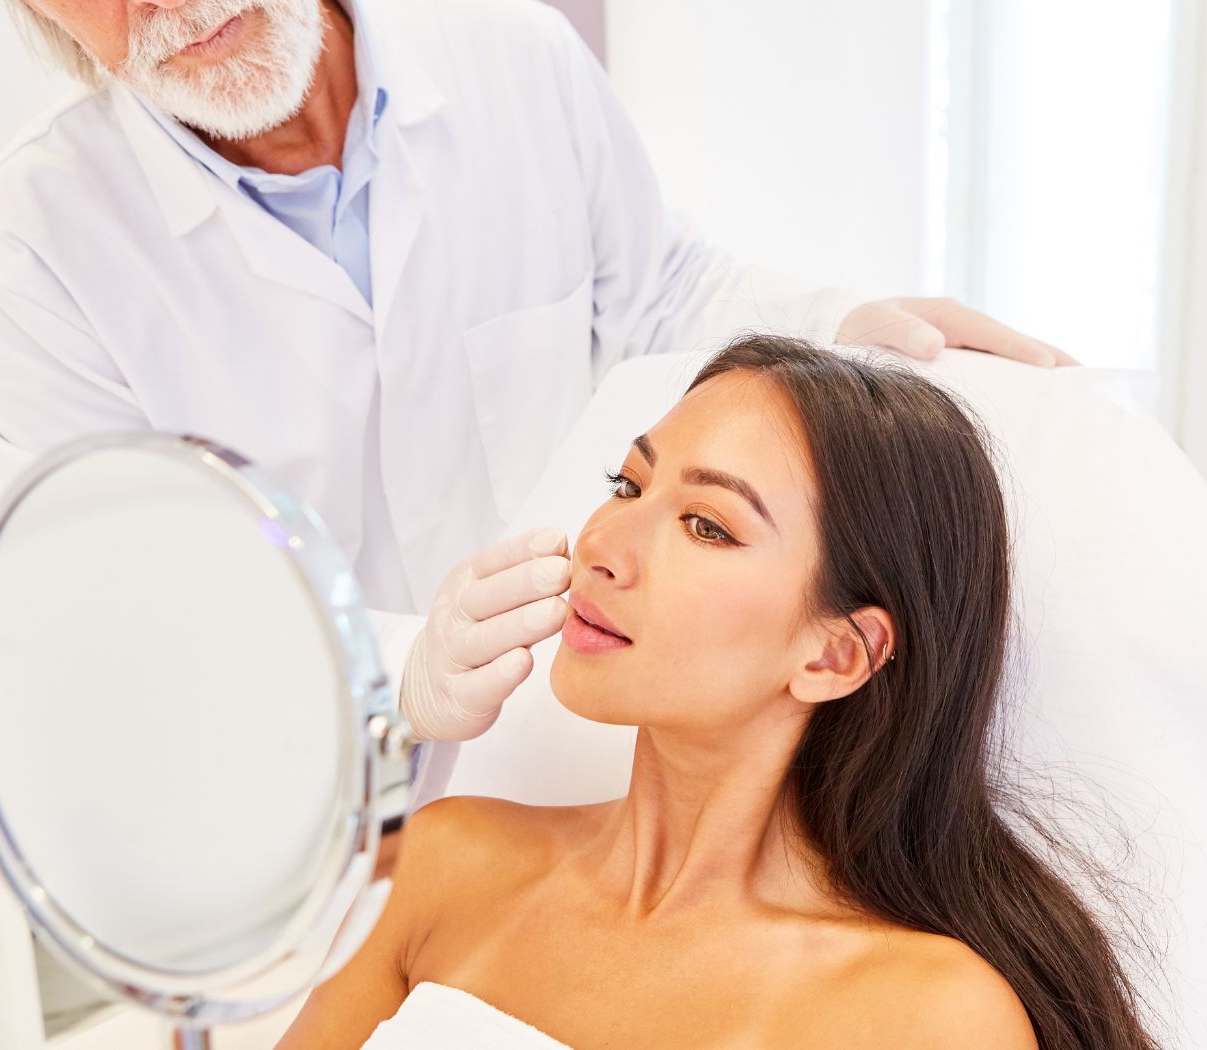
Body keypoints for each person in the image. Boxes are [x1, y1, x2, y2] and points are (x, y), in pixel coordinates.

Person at [0, 0, 1073, 751]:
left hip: (573, 736)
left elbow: (656, 292)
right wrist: (402, 668)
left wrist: (834, 324)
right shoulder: (28, 244)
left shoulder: (501, 49)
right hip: (304, 803)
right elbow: (142, 595)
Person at [274, 336, 1159, 1050]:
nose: (604, 545)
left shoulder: (927, 1017)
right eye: (627, 483)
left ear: (838, 655)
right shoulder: (441, 862)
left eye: (707, 525)